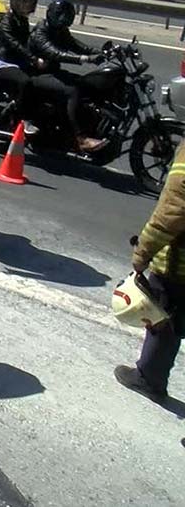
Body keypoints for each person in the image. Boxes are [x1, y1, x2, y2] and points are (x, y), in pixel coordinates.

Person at [118, 140, 185, 402]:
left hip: (179, 266)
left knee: (163, 320)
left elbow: (173, 210)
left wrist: (143, 252)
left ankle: (149, 379)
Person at [28, 0, 106, 152]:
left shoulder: (61, 31)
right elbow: (54, 53)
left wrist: (102, 53)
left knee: (85, 84)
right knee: (72, 91)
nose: (63, 18)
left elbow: (78, 46)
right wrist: (84, 59)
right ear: (51, 14)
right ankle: (81, 138)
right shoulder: (41, 31)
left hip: (52, 72)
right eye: (60, 15)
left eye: (66, 15)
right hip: (36, 74)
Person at [0, 0, 39, 134]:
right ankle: (24, 119)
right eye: (25, 2)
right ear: (16, 3)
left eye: (30, 2)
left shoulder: (22, 20)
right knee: (25, 81)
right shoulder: (6, 21)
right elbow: (15, 44)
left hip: (19, 61)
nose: (28, 5)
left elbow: (27, 42)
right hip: (3, 63)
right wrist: (33, 58)